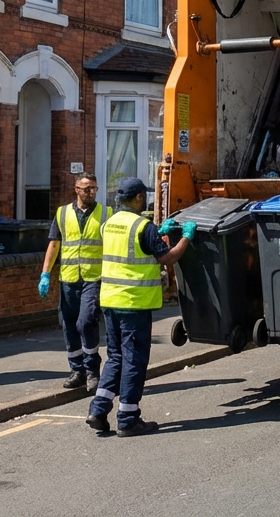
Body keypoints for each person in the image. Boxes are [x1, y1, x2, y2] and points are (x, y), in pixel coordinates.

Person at [85, 177, 193, 437]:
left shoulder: (108, 223)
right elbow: (167, 258)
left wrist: (158, 230)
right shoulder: (143, 226)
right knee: (133, 360)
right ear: (138, 198)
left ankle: (98, 410)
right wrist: (186, 238)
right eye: (143, 196)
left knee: (116, 357)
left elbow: (133, 245)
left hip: (109, 299)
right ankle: (128, 417)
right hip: (133, 303)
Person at [39, 173, 112, 392]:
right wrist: (45, 273)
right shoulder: (62, 213)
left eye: (94, 188)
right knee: (68, 324)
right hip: (69, 278)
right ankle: (77, 371)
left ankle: (92, 370)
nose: (90, 192)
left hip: (93, 277)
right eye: (86, 188)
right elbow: (54, 244)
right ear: (76, 189)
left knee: (87, 321)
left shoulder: (106, 213)